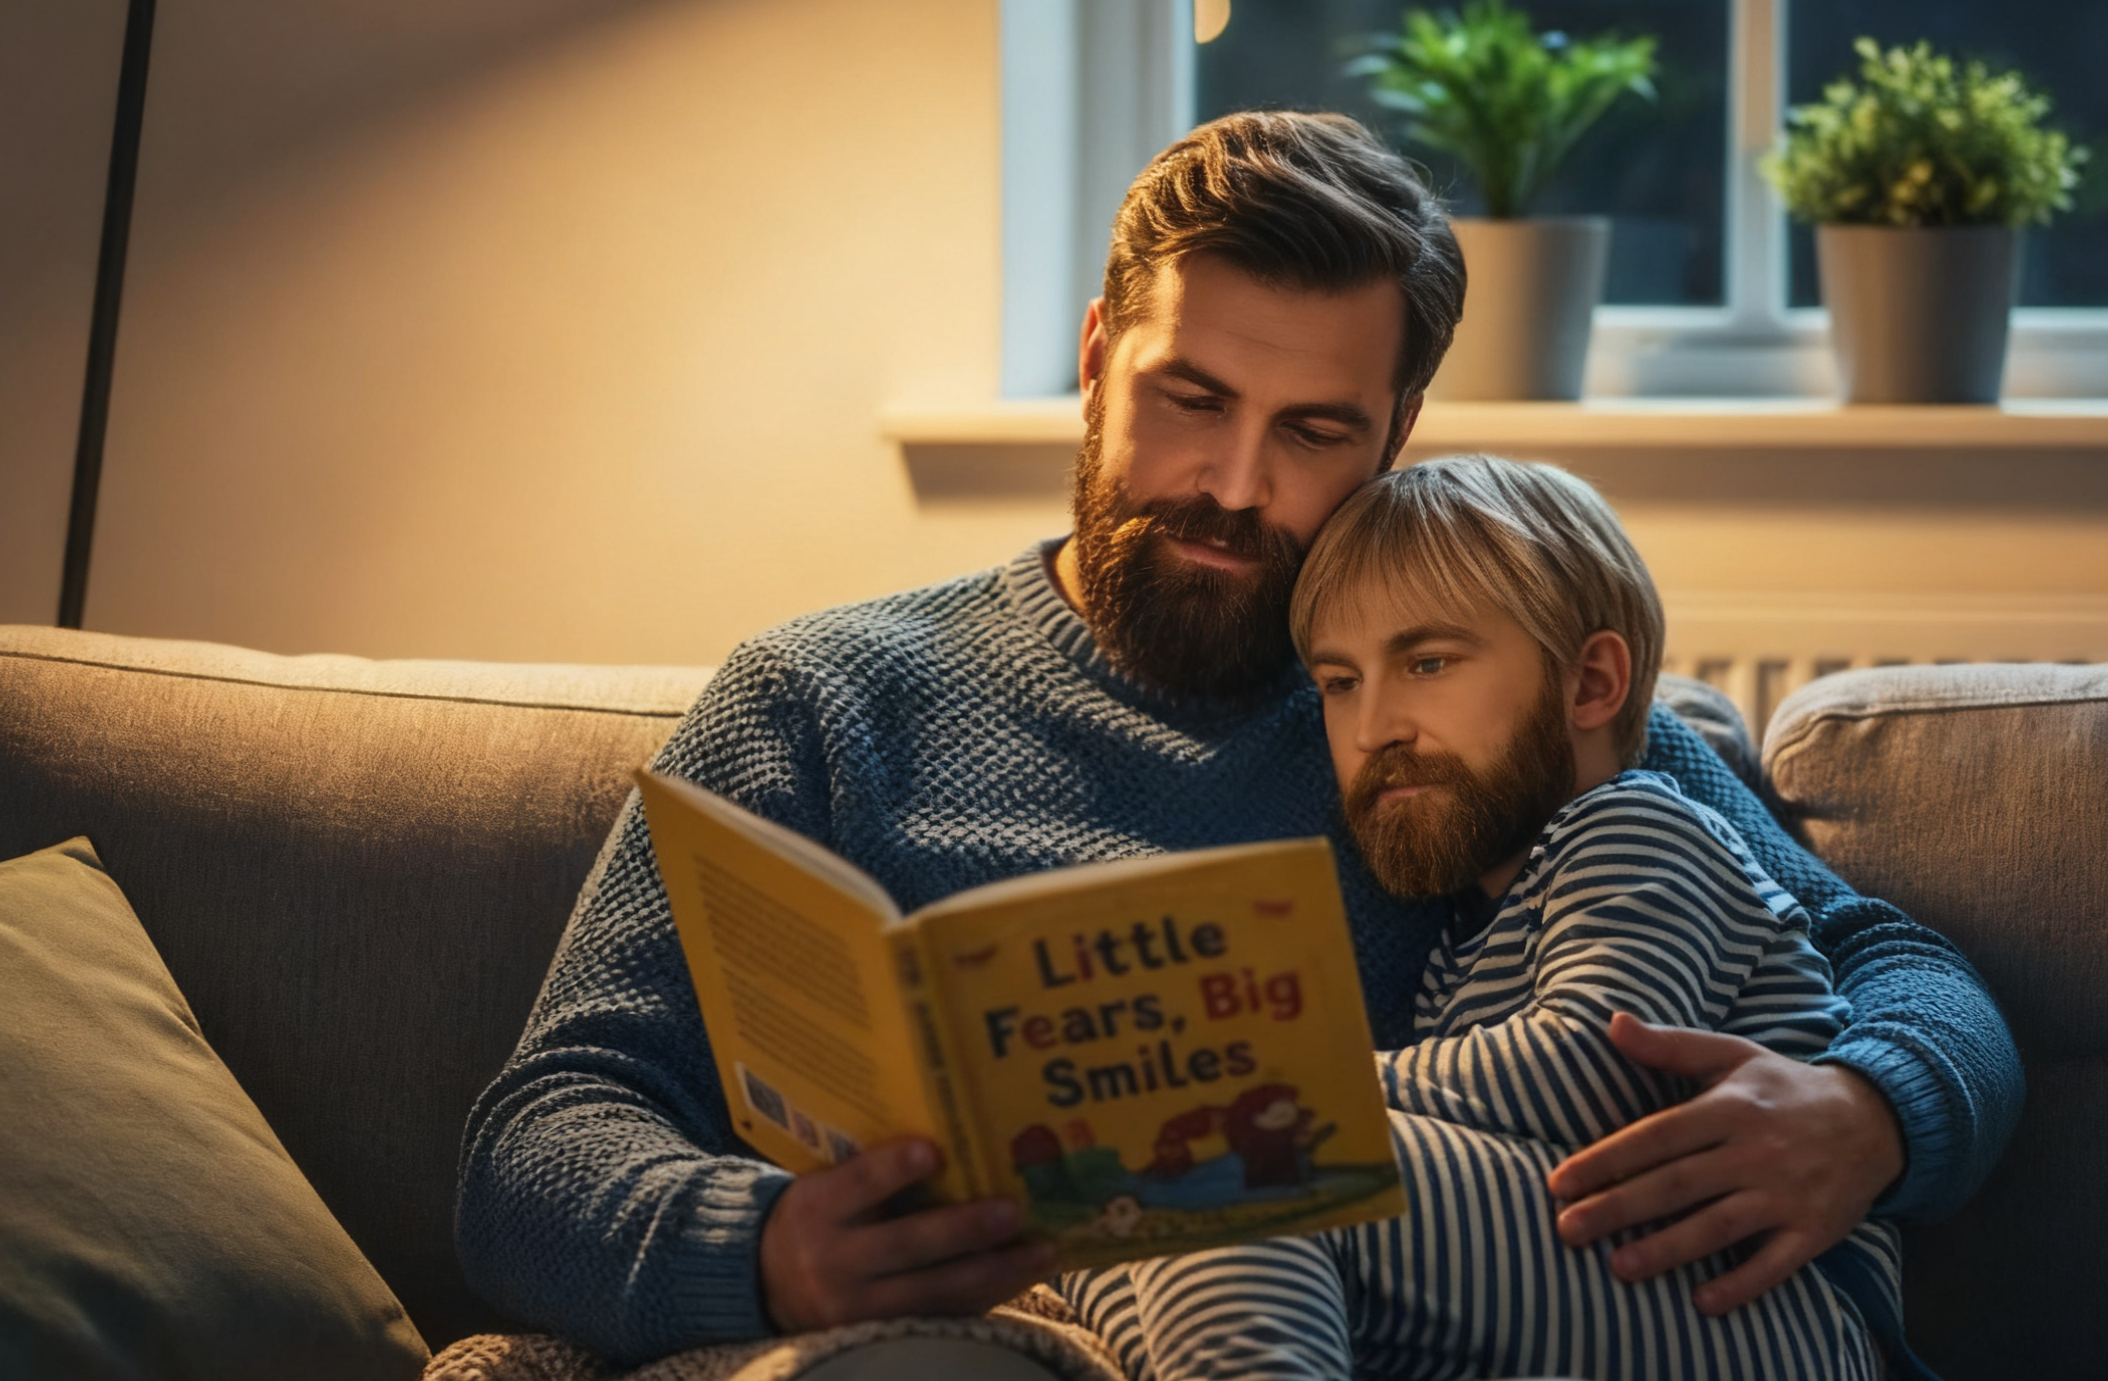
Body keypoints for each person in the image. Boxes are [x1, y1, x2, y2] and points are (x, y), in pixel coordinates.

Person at [455, 110, 2020, 1368]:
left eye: (1314, 433)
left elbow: (1901, 967)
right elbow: (537, 1139)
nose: (1233, 483)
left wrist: (1870, 1113)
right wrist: (766, 1250)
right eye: (1187, 399)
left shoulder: (1476, 714)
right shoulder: (822, 701)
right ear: (1092, 357)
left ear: (1395, 435)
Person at [1061, 454, 1905, 1381]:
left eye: (1426, 662)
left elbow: (1593, 1072)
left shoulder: (1637, 826)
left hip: (1766, 1315)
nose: (1374, 725)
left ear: (1589, 684)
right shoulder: (1469, 931)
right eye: (1339, 683)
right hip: (1595, 1296)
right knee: (1107, 1197)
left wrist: (1270, 1085)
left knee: (1245, 1153)